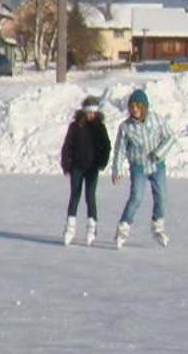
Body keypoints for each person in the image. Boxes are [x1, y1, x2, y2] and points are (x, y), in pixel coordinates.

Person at [111, 87, 173, 248]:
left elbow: (170, 137)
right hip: (138, 166)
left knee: (162, 196)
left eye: (138, 107)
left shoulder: (157, 120)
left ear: (144, 107)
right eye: (132, 107)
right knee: (136, 197)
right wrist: (117, 169)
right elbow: (120, 149)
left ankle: (158, 226)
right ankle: (123, 227)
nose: (135, 110)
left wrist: (159, 153)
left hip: (156, 165)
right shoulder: (126, 127)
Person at [60, 95, 111, 246]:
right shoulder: (75, 127)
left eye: (93, 113)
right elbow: (67, 146)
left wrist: (102, 162)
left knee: (90, 196)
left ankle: (92, 227)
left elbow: (106, 146)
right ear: (83, 112)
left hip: (92, 168)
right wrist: (66, 164)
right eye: (88, 112)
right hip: (77, 167)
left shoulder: (99, 127)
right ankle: (70, 226)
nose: (91, 115)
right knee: (75, 195)